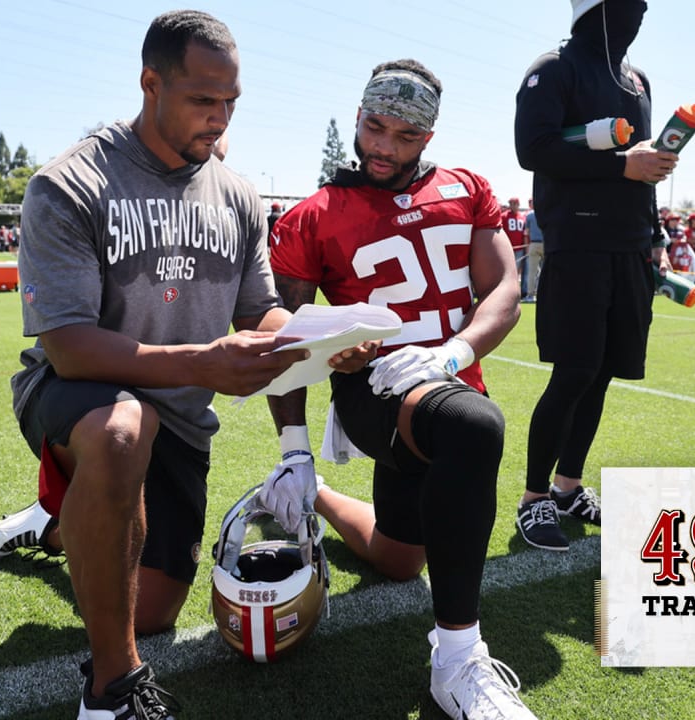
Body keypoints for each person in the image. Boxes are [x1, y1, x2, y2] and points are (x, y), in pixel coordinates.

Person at [0, 11, 369, 719]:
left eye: (230, 102)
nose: (219, 118)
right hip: (78, 392)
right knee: (124, 430)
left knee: (151, 610)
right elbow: (68, 344)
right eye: (201, 100)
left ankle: (58, 523)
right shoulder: (69, 184)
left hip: (181, 412)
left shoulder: (238, 195)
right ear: (150, 83)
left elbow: (258, 314)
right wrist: (205, 360)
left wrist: (319, 337)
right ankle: (112, 689)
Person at [267, 58, 536, 720]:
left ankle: (321, 502)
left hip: (446, 382)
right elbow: (283, 336)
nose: (384, 147)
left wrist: (454, 352)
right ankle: (456, 660)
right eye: (374, 127)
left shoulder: (466, 189)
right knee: (477, 428)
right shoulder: (314, 216)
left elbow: (503, 289)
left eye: (405, 136)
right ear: (359, 119)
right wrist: (294, 446)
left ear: (429, 139)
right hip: (374, 390)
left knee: (398, 559)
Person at [513, 0, 676, 552]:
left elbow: (644, 170)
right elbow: (530, 149)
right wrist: (619, 164)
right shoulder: (555, 68)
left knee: (604, 372)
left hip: (629, 246)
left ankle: (568, 485)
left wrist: (656, 240)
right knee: (574, 371)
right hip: (578, 245)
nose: (640, 12)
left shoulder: (637, 79)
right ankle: (534, 500)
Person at [503, 196, 529, 296]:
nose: (512, 206)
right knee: (510, 271)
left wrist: (526, 247)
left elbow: (525, 233)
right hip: (509, 248)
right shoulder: (504, 216)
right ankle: (509, 291)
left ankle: (521, 292)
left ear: (518, 205)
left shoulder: (522, 217)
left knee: (521, 271)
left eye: (514, 203)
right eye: (511, 204)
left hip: (520, 247)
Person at [522, 198, 543, 303]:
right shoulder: (545, 213)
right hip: (546, 244)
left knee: (532, 272)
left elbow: (526, 232)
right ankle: (543, 294)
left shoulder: (529, 216)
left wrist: (527, 247)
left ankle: (530, 295)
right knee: (545, 272)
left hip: (534, 244)